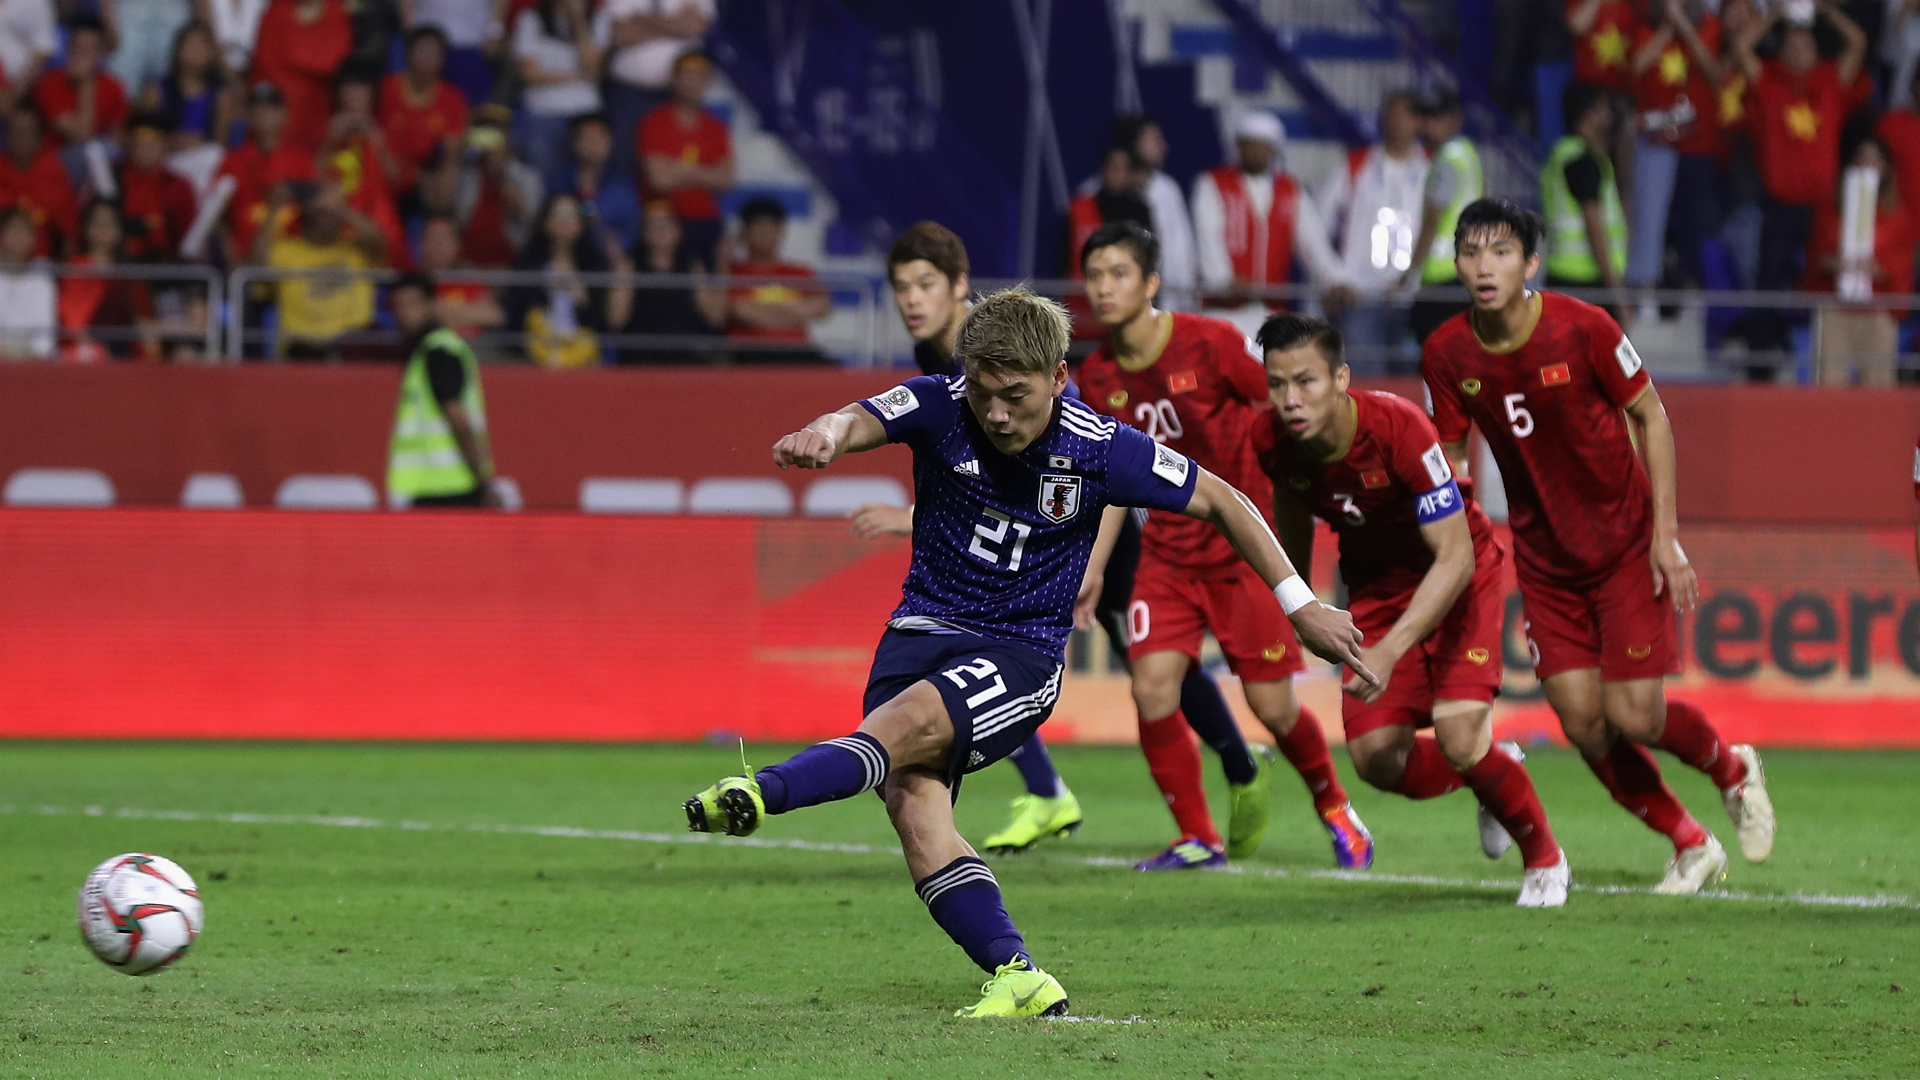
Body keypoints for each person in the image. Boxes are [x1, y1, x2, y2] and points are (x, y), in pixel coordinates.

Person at [683, 286, 1374, 1017]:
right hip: (917, 634)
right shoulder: (939, 404)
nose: (998, 414)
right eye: (984, 395)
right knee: (916, 815)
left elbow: (1224, 500)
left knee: (900, 727)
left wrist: (1301, 604)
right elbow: (857, 417)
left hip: (1018, 654)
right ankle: (1019, 975)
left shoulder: (1102, 448)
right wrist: (824, 433)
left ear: (1058, 378)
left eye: (1016, 395)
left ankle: (761, 794)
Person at [1422, 198, 1776, 894]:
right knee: (1585, 723)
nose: (1483, 266)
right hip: (1545, 562)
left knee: (1635, 716)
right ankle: (1689, 843)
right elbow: (1454, 454)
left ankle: (1732, 769)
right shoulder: (1447, 352)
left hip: (1622, 546)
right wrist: (1454, 538)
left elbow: (1651, 415)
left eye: (1500, 252)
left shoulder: (1584, 328)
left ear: (1530, 262)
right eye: (1470, 251)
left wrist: (1665, 539)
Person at [1077, 222, 1370, 871]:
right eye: (1094, 276)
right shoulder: (1097, 377)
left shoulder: (1208, 344)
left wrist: (1306, 488)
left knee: (1271, 705)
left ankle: (1333, 805)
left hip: (1243, 546)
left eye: (1118, 274)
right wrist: (1094, 569)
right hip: (1167, 556)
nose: (1103, 288)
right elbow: (1112, 483)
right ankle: (1197, 836)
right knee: (1152, 688)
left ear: (1151, 283)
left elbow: (1281, 408)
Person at [1253, 312, 1568, 906]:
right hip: (1377, 590)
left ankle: (1545, 858)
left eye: (1306, 381)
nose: (1289, 400)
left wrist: (1392, 648)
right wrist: (1302, 605)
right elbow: (1292, 517)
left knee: (1456, 732)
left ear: (1341, 378)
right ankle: (1497, 769)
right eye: (1276, 385)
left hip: (1461, 575)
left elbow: (1453, 557)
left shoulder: (1399, 429)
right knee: (1376, 759)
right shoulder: (1271, 441)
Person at [862, 219, 1088, 853]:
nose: (911, 299)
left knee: (1157, 672)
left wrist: (1095, 557)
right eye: (901, 286)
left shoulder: (993, 343)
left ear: (960, 286)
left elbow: (1085, 436)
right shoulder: (936, 357)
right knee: (984, 662)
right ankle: (1048, 792)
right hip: (1031, 524)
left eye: (925, 284)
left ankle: (1242, 761)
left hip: (1070, 522)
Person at [1730, 0, 1868, 371]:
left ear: (1816, 51)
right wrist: (1776, 14)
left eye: (1805, 45)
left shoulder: (1830, 83)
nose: (1797, 49)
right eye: (1791, 45)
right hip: (1779, 204)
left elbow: (1858, 43)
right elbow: (1743, 48)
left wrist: (1825, 11)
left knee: (1825, 283)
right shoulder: (1770, 82)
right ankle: (1760, 365)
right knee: (1770, 284)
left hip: (1822, 208)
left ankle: (1825, 360)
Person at [1191, 111, 1341, 322]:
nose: (1256, 152)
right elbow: (1208, 237)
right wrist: (1223, 280)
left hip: (1271, 311)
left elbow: (1314, 243)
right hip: (1223, 309)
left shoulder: (1290, 191)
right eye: (1250, 144)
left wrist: (1334, 279)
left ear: (1274, 150)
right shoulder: (1213, 184)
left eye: (1264, 146)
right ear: (1239, 146)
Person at [1625, 0, 1723, 317]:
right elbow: (1637, 66)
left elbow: (1711, 68)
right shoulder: (1646, 28)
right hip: (1655, 138)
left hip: (1696, 140)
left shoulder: (1707, 25)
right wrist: (1668, 29)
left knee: (1694, 221)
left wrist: (1683, 27)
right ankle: (1646, 294)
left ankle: (1692, 295)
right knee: (1650, 217)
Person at [1318, 90, 1428, 367]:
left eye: (1407, 114)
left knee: (1414, 392)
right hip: (1361, 295)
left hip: (1416, 295)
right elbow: (1318, 222)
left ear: (1419, 121)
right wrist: (1335, 278)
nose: (1398, 122)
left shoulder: (1434, 167)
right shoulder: (1357, 164)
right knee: (1366, 389)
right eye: (1392, 114)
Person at [1801, 137, 1915, 387]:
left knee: (1878, 387)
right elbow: (1816, 254)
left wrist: (1881, 268)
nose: (1867, 165)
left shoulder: (1897, 215)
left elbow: (1903, 260)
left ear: (1886, 169)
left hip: (1878, 307)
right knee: (1828, 383)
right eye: (1862, 158)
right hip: (1835, 306)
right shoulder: (1831, 209)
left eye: (1874, 160)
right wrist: (1830, 263)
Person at [387, 272, 499, 509]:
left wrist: (484, 482)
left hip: (452, 490)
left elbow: (457, 417)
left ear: (432, 305)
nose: (405, 314)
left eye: (413, 305)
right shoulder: (428, 352)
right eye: (400, 306)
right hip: (434, 486)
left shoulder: (439, 352)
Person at [1077, 115, 1196, 311]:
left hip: (1165, 304)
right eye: (1154, 140)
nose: (1163, 147)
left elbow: (1180, 253)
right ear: (1133, 143)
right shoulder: (1090, 196)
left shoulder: (1167, 191)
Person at [257, 179, 386, 360]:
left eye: (329, 214)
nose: (324, 216)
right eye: (318, 213)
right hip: (303, 344)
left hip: (354, 343)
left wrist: (339, 208)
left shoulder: (356, 249)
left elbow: (378, 240)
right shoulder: (286, 250)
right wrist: (274, 209)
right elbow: (257, 264)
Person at [593, 0, 713, 184]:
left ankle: (662, 212)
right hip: (628, 92)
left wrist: (641, 20)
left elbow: (694, 26)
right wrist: (675, 24)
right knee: (623, 157)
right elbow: (619, 34)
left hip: (677, 95)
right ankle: (623, 210)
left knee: (672, 158)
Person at [505, 192, 629, 368]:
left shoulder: (593, 265)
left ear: (580, 224)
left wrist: (584, 299)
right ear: (546, 222)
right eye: (559, 216)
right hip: (538, 351)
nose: (564, 223)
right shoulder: (528, 263)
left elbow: (602, 321)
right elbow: (516, 312)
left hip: (583, 354)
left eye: (570, 217)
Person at [636, 50, 730, 266]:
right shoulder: (653, 122)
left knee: (711, 275)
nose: (692, 83)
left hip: (704, 219)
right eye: (686, 76)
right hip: (661, 216)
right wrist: (704, 173)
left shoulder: (716, 128)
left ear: (708, 83)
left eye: (699, 77)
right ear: (673, 79)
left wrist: (678, 169)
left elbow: (726, 180)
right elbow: (658, 180)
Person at [1405, 90, 1483, 345]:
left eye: (1435, 118)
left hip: (1443, 278)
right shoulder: (1468, 156)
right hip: (1466, 270)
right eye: (1425, 117)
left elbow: (1433, 218)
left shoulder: (1447, 160)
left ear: (1454, 120)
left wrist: (1411, 271)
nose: (1428, 125)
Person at [1541, 82, 1627, 312]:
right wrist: (1617, 292)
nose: (1609, 117)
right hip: (1585, 283)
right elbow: (1594, 226)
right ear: (1589, 115)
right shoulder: (1583, 161)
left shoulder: (1561, 154)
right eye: (1604, 109)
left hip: (1563, 276)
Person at [214, 82, 316, 268]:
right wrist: (227, 251)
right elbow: (217, 214)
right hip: (243, 260)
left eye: (271, 107)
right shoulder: (232, 160)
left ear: (284, 114)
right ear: (247, 114)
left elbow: (315, 210)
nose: (263, 112)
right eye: (256, 107)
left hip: (293, 260)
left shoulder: (302, 161)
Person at [511, 0, 602, 191]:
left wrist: (578, 19)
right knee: (544, 183)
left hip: (585, 113)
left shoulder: (597, 18)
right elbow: (529, 74)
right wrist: (578, 76)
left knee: (584, 182)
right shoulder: (532, 18)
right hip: (543, 112)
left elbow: (591, 67)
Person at [379, 25, 469, 216]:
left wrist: (445, 177)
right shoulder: (386, 89)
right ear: (407, 53)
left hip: (424, 178)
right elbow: (371, 134)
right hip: (385, 168)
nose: (428, 57)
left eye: (434, 52)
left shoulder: (452, 99)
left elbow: (452, 152)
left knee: (452, 182)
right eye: (422, 50)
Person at [320, 67, 407, 267]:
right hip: (334, 226)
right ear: (339, 93)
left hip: (379, 222)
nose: (354, 93)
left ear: (372, 94)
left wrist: (378, 142)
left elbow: (398, 181)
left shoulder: (386, 131)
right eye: (349, 87)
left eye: (361, 88)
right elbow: (311, 177)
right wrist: (330, 141)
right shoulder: (326, 130)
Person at [725, 196, 828, 363]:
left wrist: (765, 310)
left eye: (772, 227)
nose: (766, 234)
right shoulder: (733, 273)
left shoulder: (799, 272)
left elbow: (821, 307)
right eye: (759, 227)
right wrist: (792, 310)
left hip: (798, 353)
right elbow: (740, 311)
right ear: (744, 232)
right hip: (750, 353)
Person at [620, 198, 722, 364]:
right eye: (653, 224)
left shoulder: (692, 266)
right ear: (643, 232)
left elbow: (715, 317)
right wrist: (622, 274)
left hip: (684, 358)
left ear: (678, 230)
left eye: (666, 224)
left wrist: (721, 264)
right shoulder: (630, 266)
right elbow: (616, 320)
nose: (660, 230)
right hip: (639, 357)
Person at [59, 197, 156, 361]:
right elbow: (72, 320)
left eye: (110, 223)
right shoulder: (75, 267)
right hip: (86, 349)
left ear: (119, 230)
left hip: (127, 349)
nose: (104, 228)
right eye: (98, 222)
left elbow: (141, 317)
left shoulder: (128, 273)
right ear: (86, 228)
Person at [251, 0, 353, 153]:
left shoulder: (335, 11)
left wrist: (292, 55)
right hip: (280, 104)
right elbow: (264, 59)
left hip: (319, 104)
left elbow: (331, 59)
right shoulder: (278, 7)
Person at [452, 103, 544, 268]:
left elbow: (527, 213)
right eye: (483, 131)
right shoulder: (464, 172)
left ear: (508, 134)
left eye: (495, 131)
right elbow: (439, 205)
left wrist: (500, 174)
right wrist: (452, 156)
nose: (490, 138)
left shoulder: (527, 177)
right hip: (465, 265)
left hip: (510, 266)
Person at [146, 20, 235, 156]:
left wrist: (198, 144)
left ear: (211, 53)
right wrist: (172, 141)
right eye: (190, 44)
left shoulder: (221, 96)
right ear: (177, 49)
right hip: (164, 159)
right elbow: (140, 135)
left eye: (201, 44)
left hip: (202, 160)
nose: (195, 50)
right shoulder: (156, 91)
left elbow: (220, 145)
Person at [0, 106, 79, 258]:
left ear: (39, 137)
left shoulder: (53, 170)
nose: (23, 138)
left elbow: (69, 230)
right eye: (17, 132)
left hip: (40, 261)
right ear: (7, 136)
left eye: (29, 133)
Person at [116, 114, 197, 261]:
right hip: (122, 262)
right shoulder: (115, 179)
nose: (145, 150)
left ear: (163, 145)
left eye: (152, 144)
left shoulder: (178, 185)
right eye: (139, 144)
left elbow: (190, 233)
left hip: (167, 263)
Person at [399, 0, 510, 105]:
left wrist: (495, 30)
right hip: (426, 38)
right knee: (418, 104)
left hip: (473, 41)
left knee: (471, 105)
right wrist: (408, 26)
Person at [418, 212, 504, 344]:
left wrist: (445, 310)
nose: (439, 245)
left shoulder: (467, 278)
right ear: (422, 244)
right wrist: (467, 312)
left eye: (445, 239)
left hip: (472, 348)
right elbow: (414, 318)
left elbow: (494, 316)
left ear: (456, 245)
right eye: (434, 238)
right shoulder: (413, 279)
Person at [562, 112, 639, 254]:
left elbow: (630, 228)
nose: (592, 143)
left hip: (607, 258)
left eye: (598, 137)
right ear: (574, 143)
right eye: (587, 138)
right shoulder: (559, 183)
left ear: (609, 142)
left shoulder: (621, 187)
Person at [0, 205, 56, 357]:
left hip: (31, 367)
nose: (19, 236)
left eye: (25, 230)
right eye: (13, 229)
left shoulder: (41, 279)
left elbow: (44, 343)